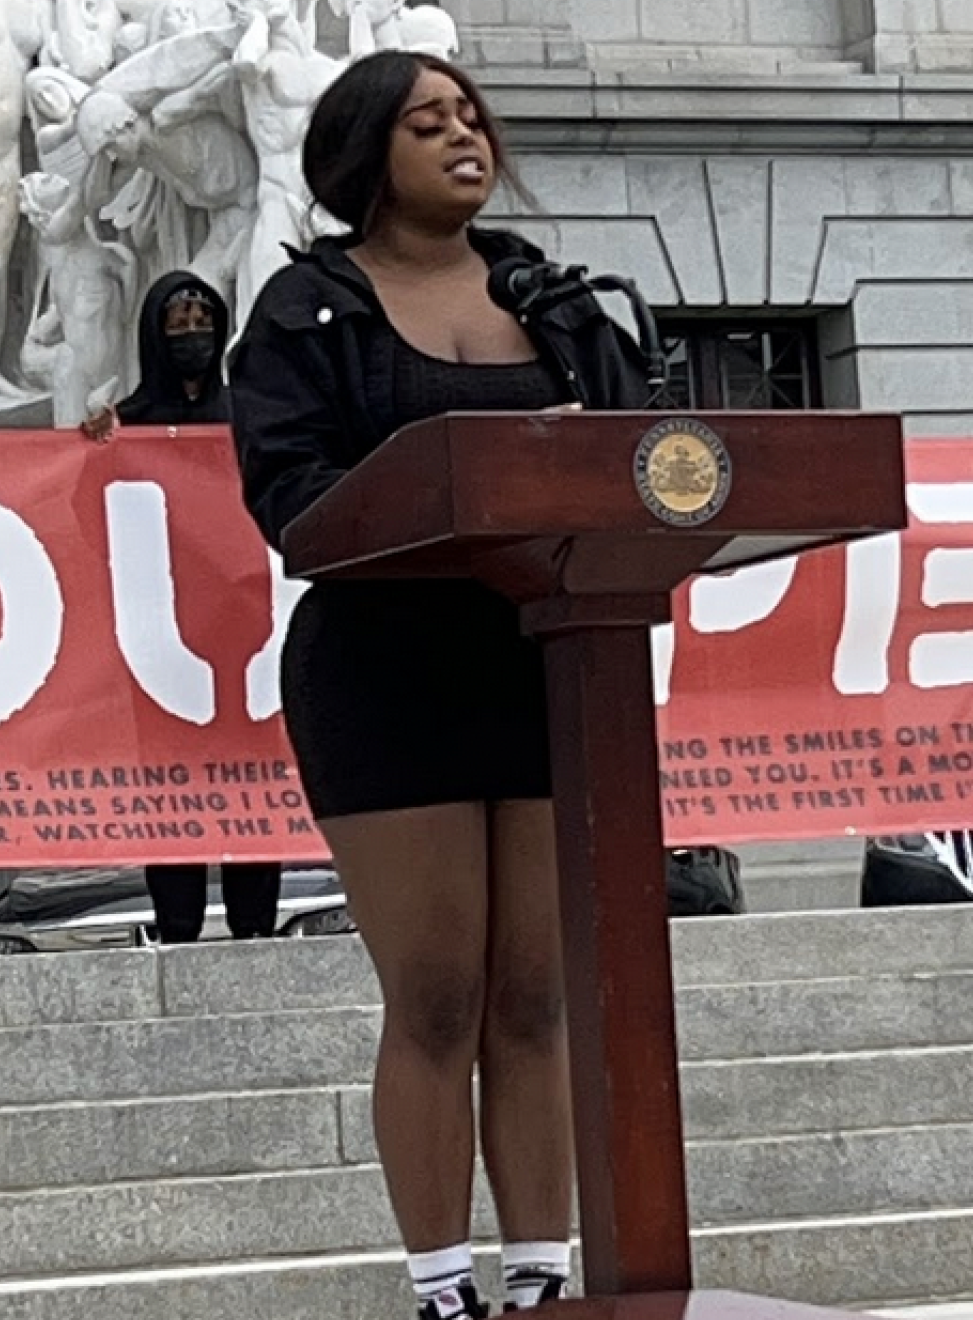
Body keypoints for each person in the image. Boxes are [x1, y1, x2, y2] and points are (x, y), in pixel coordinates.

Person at [226, 51, 651, 1320]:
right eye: (428, 123)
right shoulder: (309, 310)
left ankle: (540, 1279)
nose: (466, 138)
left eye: (472, 117)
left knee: (536, 993)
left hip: (549, 658)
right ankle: (440, 1287)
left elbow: (642, 453)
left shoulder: (555, 301)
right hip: (387, 672)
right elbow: (290, 499)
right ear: (367, 156)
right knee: (438, 994)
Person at [87, 270, 284, 946]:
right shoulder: (131, 423)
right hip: (163, 635)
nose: (193, 334)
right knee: (171, 785)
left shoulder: (249, 415)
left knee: (253, 780)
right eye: (178, 325)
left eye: (204, 322)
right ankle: (177, 924)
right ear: (153, 336)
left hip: (250, 626)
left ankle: (255, 923)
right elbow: (92, 520)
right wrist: (95, 454)